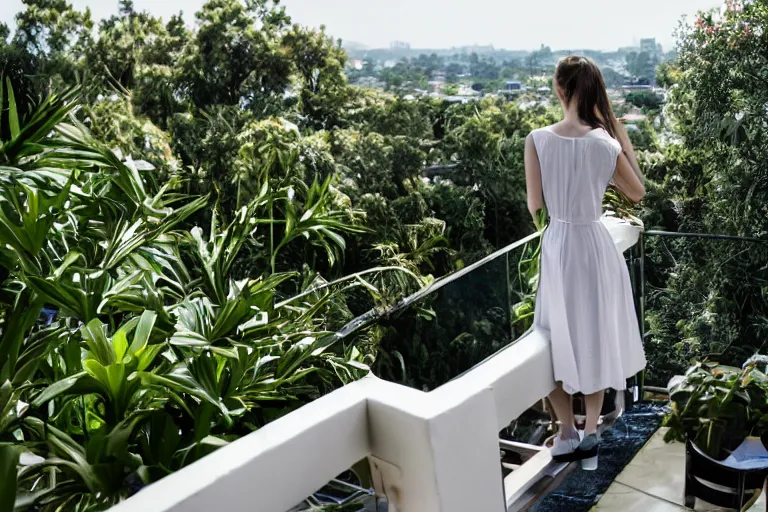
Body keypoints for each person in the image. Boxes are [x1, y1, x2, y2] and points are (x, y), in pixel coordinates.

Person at [523, 56, 647, 471]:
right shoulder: (605, 143)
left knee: (552, 337)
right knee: (593, 336)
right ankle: (591, 431)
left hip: (559, 245)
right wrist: (620, 137)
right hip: (595, 247)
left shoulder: (536, 139)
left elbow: (535, 206)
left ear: (560, 89)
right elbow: (637, 193)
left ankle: (566, 431)